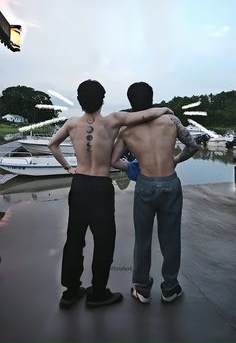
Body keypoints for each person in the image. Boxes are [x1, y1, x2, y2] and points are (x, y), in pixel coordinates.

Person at [48, 79, 173, 309]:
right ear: (103, 99)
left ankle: (71, 292)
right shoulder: (113, 120)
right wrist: (164, 109)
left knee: (74, 239)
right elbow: (143, 115)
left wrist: (68, 167)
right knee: (104, 240)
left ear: (79, 100)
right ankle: (98, 293)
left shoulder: (72, 123)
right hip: (100, 187)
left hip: (80, 183)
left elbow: (52, 144)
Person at [111, 82, 199, 304]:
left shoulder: (126, 130)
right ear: (152, 98)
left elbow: (112, 160)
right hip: (170, 183)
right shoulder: (171, 120)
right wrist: (175, 160)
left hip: (145, 184)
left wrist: (134, 168)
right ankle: (170, 287)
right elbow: (192, 145)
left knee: (142, 239)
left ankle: (141, 288)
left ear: (131, 102)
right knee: (171, 238)